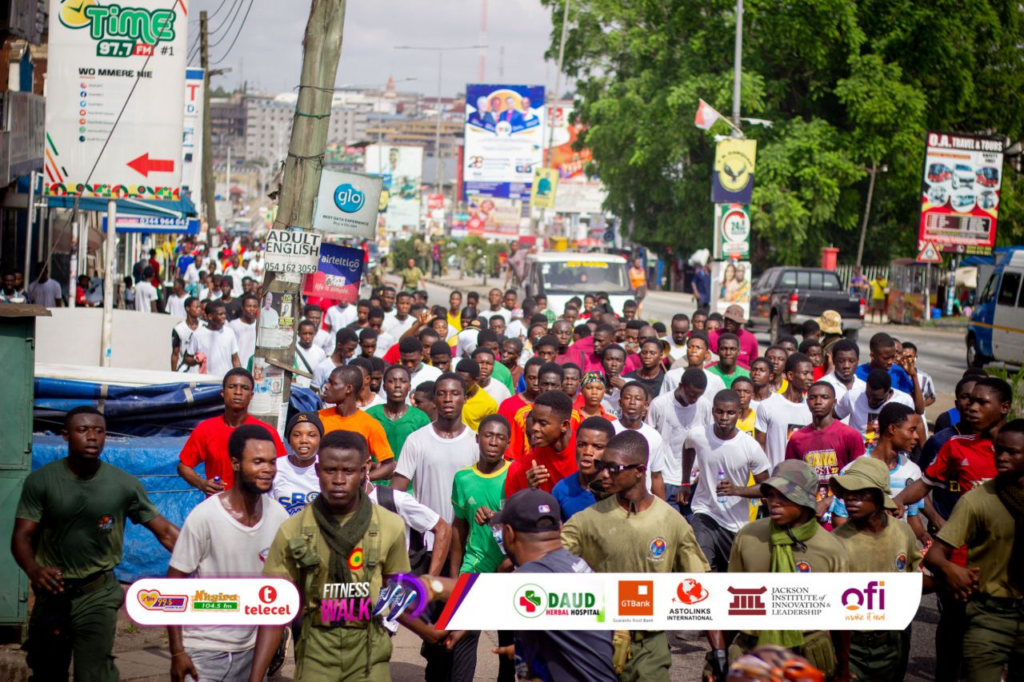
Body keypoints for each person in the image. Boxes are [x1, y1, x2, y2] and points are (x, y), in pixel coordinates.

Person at [13, 407, 179, 682]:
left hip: (98, 593)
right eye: (82, 430)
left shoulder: (124, 484)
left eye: (99, 431)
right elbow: (21, 536)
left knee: (95, 674)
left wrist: (207, 555)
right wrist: (34, 570)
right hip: (54, 595)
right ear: (65, 436)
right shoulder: (41, 481)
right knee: (47, 673)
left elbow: (164, 531)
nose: (92, 437)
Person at [248, 431, 411, 681]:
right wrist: (255, 676)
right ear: (317, 470)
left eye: (348, 471)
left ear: (364, 470)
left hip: (370, 656)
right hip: (316, 656)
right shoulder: (293, 530)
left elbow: (398, 590)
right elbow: (274, 613)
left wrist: (432, 631)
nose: (338, 480)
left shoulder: (390, 525)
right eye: (329, 470)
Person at [562, 430, 710, 680]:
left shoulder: (672, 521)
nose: (604, 474)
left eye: (613, 468)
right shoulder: (587, 520)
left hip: (650, 645)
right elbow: (551, 567)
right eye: (602, 466)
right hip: (598, 640)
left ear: (640, 470)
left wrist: (717, 651)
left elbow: (701, 583)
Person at [167, 425, 289, 682]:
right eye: (257, 462)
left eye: (271, 462)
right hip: (203, 650)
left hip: (253, 651)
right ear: (235, 464)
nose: (268, 469)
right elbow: (174, 585)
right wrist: (177, 652)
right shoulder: (205, 516)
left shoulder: (279, 517)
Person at [727, 461, 850, 679]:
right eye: (770, 495)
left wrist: (843, 668)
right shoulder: (748, 537)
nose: (774, 502)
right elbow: (729, 603)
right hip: (752, 653)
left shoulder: (830, 549)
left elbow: (841, 619)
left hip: (807, 655)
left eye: (784, 496)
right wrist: (715, 657)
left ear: (805, 501)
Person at [924, 419, 1024, 682]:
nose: (1001, 457)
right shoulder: (977, 499)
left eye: (1011, 452)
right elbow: (936, 553)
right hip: (989, 615)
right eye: (998, 450)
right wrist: (949, 569)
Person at [490, 488, 617, 682]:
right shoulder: (573, 564)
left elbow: (471, 596)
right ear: (559, 528)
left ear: (509, 533)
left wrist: (427, 588)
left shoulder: (534, 576)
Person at [831, 456, 925, 682]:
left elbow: (912, 579)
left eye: (860, 492)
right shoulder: (835, 544)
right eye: (846, 492)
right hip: (852, 645)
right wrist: (841, 665)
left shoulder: (902, 533)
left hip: (893, 642)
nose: (849, 498)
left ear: (880, 497)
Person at [446, 415, 515, 680]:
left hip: (510, 568)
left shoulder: (515, 474)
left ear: (508, 442)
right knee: (464, 635)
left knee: (507, 638)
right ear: (477, 438)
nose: (493, 442)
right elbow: (458, 526)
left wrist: (497, 520)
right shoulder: (463, 478)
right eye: (488, 435)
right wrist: (454, 575)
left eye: (500, 437)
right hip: (475, 564)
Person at [391, 374, 481, 568]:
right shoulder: (416, 440)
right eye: (442, 393)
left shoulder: (476, 442)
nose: (448, 399)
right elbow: (397, 491)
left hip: (467, 545)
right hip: (425, 542)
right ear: (434, 400)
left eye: (455, 393)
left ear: (465, 399)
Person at [681, 390, 770, 572]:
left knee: (730, 575)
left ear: (739, 413)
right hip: (705, 512)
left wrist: (736, 490)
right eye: (719, 412)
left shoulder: (749, 446)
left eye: (730, 413)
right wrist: (684, 483)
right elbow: (687, 447)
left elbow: (767, 487)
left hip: (735, 523)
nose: (724, 417)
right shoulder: (698, 434)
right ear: (713, 411)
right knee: (701, 566)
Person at [178, 369, 286, 493]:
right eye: (232, 387)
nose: (238, 392)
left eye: (244, 388)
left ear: (251, 395)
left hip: (255, 506)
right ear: (223, 393)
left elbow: (283, 470)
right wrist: (201, 483)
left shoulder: (266, 432)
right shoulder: (205, 429)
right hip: (217, 506)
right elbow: (183, 466)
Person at [785, 382, 865, 521]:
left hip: (843, 515)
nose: (818, 402)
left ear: (834, 402)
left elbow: (860, 479)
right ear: (807, 401)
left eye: (824, 397)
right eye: (813, 397)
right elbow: (792, 479)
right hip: (809, 513)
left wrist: (828, 502)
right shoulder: (797, 438)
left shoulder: (850, 435)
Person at [318, 366, 397, 481]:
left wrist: (362, 479)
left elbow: (389, 465)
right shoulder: (318, 417)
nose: (326, 387)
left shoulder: (370, 424)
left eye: (332, 383)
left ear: (348, 388)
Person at [505, 390, 579, 495]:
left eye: (542, 423)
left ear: (564, 426)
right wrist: (530, 492)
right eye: (534, 421)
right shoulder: (521, 469)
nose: (534, 428)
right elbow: (512, 509)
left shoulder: (586, 454)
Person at [754, 353, 814, 467]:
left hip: (803, 479)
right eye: (805, 373)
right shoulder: (767, 405)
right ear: (791, 375)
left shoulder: (812, 408)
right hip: (775, 479)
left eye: (812, 373)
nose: (810, 378)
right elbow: (760, 445)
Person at [365, 365, 432, 464]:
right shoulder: (370, 415)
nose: (397, 385)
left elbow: (426, 455)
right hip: (375, 477)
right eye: (391, 381)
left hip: (408, 479)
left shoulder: (420, 418)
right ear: (384, 386)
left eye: (403, 381)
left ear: (409, 387)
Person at [613, 382, 668, 499]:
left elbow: (656, 475)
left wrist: (663, 510)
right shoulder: (609, 430)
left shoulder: (654, 436)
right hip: (611, 497)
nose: (632, 402)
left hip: (641, 500)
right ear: (620, 403)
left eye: (638, 399)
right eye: (627, 398)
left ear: (646, 405)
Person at [552, 416, 613, 520]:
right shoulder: (561, 490)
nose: (588, 452)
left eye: (597, 447)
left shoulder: (617, 491)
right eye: (581, 445)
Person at [836, 369, 915, 443]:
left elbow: (913, 430)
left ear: (888, 391)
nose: (871, 401)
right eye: (868, 396)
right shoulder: (852, 396)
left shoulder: (905, 401)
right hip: (858, 455)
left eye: (877, 399)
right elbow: (832, 418)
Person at [272, 412, 324, 515]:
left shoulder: (328, 468)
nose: (304, 440)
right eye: (297, 435)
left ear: (320, 440)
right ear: (289, 440)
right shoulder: (275, 468)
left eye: (311, 435)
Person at [184, 300, 241, 376]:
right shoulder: (197, 334)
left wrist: (240, 376)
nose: (224, 316)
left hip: (225, 381)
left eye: (224, 313)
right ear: (210, 316)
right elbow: (187, 358)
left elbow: (235, 359)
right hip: (205, 382)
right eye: (220, 314)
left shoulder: (230, 332)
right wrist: (196, 361)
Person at [456, 358, 498, 432]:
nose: (459, 385)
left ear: (476, 380)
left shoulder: (489, 404)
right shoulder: (448, 396)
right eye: (457, 379)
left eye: (464, 381)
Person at [820, 339, 865, 407]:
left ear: (857, 361)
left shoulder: (864, 388)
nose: (846, 366)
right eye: (841, 361)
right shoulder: (821, 386)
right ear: (834, 361)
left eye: (851, 361)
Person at [171, 296, 203, 373]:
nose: (199, 309)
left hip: (200, 372)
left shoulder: (204, 326)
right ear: (187, 308)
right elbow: (175, 354)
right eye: (196, 307)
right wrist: (173, 374)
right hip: (183, 372)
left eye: (200, 307)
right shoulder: (178, 329)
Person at [229, 294, 259, 371]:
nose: (252, 309)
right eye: (249, 306)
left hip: (255, 369)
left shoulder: (260, 325)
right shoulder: (233, 325)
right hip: (237, 368)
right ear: (242, 308)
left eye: (254, 306)